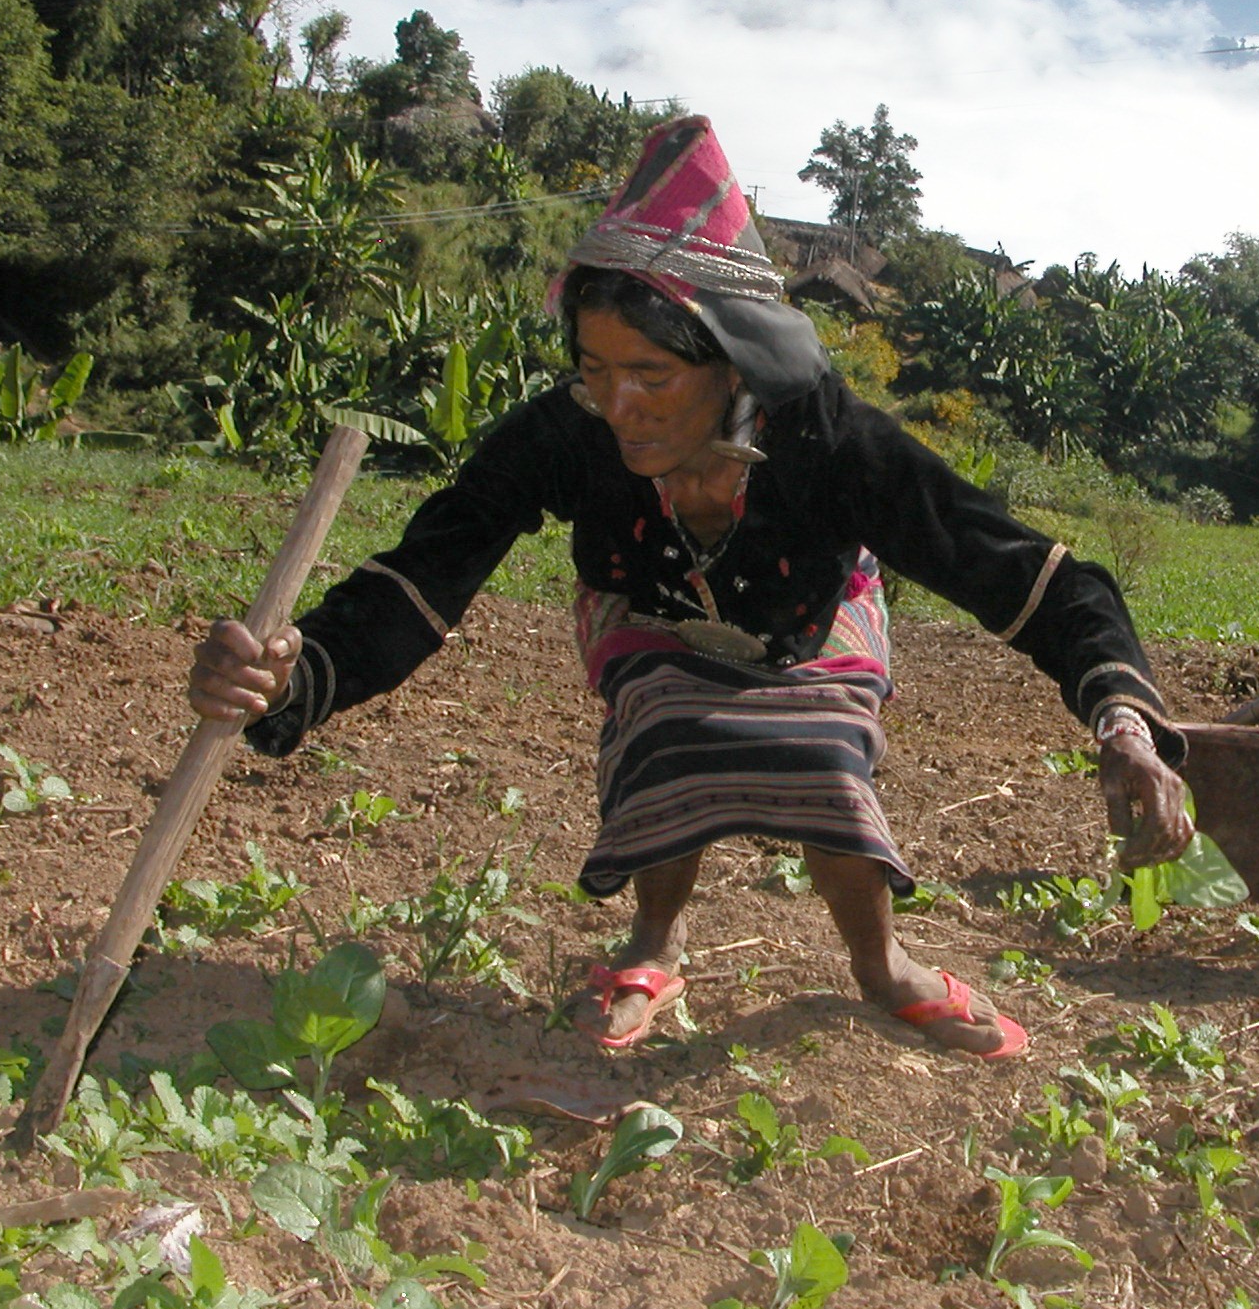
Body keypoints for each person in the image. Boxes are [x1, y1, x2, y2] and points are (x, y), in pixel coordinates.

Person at [190, 116, 1190, 1057]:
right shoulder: (565, 434)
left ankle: (879, 963)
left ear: (731, 363)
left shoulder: (832, 443)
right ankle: (654, 941)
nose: (618, 406)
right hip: (646, 620)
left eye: (652, 377)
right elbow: (426, 572)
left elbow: (1020, 574)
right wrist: (297, 672)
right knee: (667, 728)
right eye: (593, 370)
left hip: (814, 622)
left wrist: (1126, 728)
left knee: (825, 758)